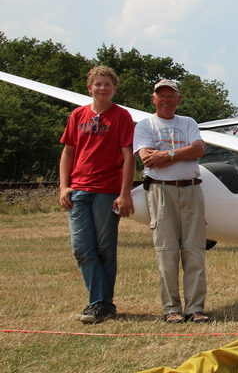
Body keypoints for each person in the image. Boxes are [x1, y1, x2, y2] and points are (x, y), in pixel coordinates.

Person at [59, 66, 135, 324]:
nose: (102, 88)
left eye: (107, 84)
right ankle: (101, 302)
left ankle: (101, 304)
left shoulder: (121, 116)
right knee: (82, 248)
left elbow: (128, 157)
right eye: (97, 84)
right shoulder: (78, 115)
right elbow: (68, 152)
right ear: (89, 87)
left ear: (114, 88)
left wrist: (125, 193)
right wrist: (63, 186)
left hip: (107, 192)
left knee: (104, 248)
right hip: (78, 191)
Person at [134, 79, 210, 323]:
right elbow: (147, 159)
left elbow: (198, 149)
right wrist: (180, 154)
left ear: (178, 99)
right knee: (166, 251)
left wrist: (166, 154)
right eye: (161, 96)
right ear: (153, 99)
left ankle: (195, 308)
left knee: (194, 250)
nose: (166, 100)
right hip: (160, 191)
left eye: (171, 96)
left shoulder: (188, 122)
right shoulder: (145, 125)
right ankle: (171, 309)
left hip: (191, 190)